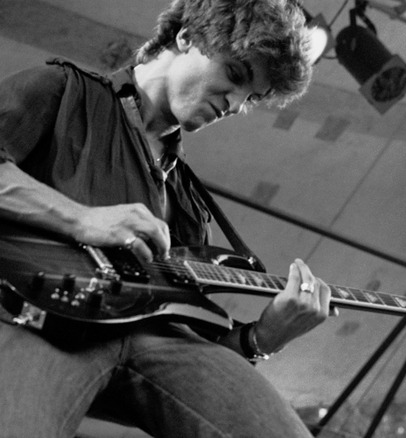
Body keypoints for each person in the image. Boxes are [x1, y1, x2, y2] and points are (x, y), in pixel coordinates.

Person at [0, 0, 333, 436]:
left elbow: (185, 337)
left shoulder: (189, 204)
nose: (235, 105)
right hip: (35, 316)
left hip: (150, 347)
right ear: (186, 37)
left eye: (251, 98)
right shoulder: (63, 91)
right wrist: (81, 218)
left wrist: (261, 338)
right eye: (235, 75)